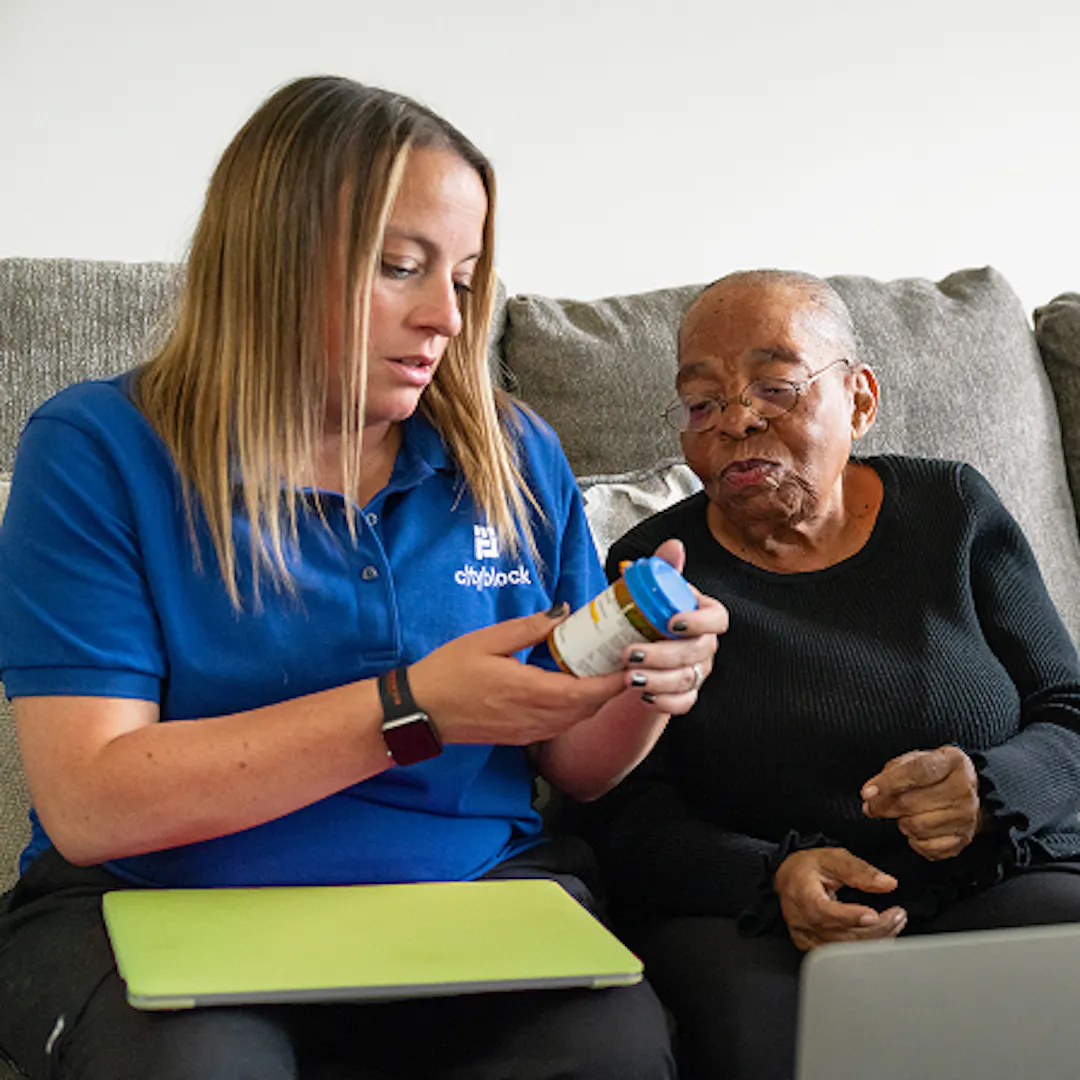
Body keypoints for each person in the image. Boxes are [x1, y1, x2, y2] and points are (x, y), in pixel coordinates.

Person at [0, 76, 727, 1080]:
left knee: (606, 1052)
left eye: (466, 278)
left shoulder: (512, 453)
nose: (444, 314)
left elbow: (573, 763)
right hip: (159, 902)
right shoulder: (98, 450)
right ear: (268, 257)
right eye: (399, 267)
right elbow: (92, 802)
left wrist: (648, 681)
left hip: (474, 894)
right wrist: (413, 708)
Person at [577, 269, 1080, 1080]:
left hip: (998, 875)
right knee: (765, 1043)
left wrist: (992, 791)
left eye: (776, 387)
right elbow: (622, 812)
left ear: (860, 399)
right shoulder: (652, 570)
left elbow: (1070, 711)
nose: (737, 421)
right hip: (765, 916)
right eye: (703, 404)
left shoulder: (952, 509)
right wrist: (770, 874)